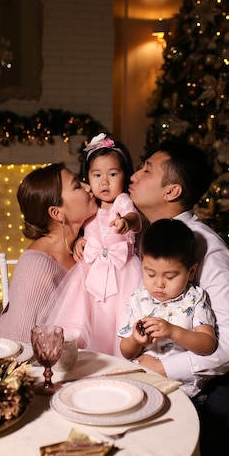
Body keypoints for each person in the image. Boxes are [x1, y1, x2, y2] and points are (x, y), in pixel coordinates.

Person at [128, 139, 229, 456]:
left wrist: (163, 365)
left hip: (223, 390)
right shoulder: (154, 236)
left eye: (146, 168)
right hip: (170, 382)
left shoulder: (207, 250)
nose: (133, 175)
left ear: (172, 191)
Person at [44, 133, 143, 355]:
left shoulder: (122, 201)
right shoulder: (90, 206)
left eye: (113, 174)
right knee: (91, 317)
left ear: (124, 175)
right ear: (87, 177)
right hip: (91, 274)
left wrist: (126, 221)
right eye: (97, 175)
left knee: (118, 317)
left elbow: (134, 217)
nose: (104, 181)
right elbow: (84, 230)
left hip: (122, 273)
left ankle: (119, 356)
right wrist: (80, 240)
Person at [0, 162, 97, 344]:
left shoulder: (85, 244)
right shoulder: (36, 267)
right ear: (57, 213)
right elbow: (18, 342)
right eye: (77, 186)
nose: (89, 187)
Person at [118, 218, 216, 396]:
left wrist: (173, 332)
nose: (159, 284)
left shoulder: (194, 299)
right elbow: (126, 351)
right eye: (150, 274)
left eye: (170, 277)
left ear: (191, 272)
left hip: (184, 389)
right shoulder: (138, 299)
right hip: (143, 383)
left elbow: (208, 344)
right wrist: (135, 340)